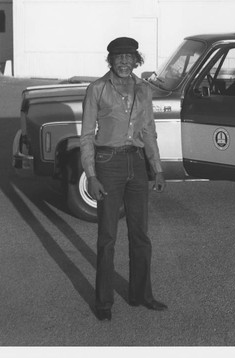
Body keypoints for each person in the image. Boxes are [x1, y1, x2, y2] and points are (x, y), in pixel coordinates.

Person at [80, 37, 167, 321]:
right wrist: (91, 176)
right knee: (107, 237)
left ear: (136, 60)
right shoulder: (96, 89)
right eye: (119, 57)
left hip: (137, 164)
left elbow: (149, 130)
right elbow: (86, 137)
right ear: (111, 60)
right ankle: (104, 302)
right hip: (108, 163)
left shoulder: (144, 89)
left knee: (140, 234)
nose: (125, 62)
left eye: (130, 57)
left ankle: (141, 294)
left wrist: (157, 167)